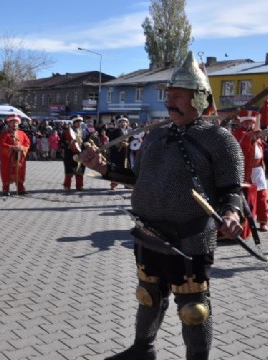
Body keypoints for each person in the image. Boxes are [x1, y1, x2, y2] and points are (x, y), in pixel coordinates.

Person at [79, 51, 244, 360]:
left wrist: (232, 213)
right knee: (148, 296)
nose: (171, 102)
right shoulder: (155, 137)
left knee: (193, 308)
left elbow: (232, 189)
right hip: (148, 233)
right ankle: (143, 350)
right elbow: (137, 179)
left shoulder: (220, 140)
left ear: (199, 99)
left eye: (179, 97)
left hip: (189, 236)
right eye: (169, 96)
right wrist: (102, 168)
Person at [232, 110, 268, 232]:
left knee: (262, 195)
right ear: (242, 123)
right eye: (246, 123)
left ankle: (263, 221)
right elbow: (244, 142)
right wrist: (255, 136)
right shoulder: (238, 134)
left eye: (251, 123)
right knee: (247, 197)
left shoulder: (255, 135)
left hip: (258, 170)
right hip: (245, 170)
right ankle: (246, 222)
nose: (249, 125)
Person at [0, 114, 30, 196]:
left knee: (20, 172)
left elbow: (27, 143)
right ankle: (5, 189)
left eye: (16, 123)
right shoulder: (5, 134)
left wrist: (22, 148)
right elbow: (2, 144)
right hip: (8, 158)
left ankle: (20, 189)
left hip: (19, 157)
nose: (14, 124)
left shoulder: (22, 133)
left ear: (18, 124)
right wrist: (12, 147)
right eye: (12, 123)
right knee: (7, 172)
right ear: (9, 124)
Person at [62, 116, 87, 191]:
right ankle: (67, 186)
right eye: (77, 122)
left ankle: (79, 186)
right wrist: (70, 143)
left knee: (80, 170)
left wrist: (87, 143)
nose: (79, 123)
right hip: (70, 153)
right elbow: (63, 141)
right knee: (69, 170)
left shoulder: (83, 131)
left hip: (81, 153)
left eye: (80, 122)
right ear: (74, 123)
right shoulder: (68, 131)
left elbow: (86, 140)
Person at [107, 116, 132, 190]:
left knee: (126, 170)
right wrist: (121, 144)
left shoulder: (130, 131)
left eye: (124, 122)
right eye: (121, 122)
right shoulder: (115, 131)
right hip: (117, 154)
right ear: (119, 123)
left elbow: (132, 140)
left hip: (126, 154)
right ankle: (113, 185)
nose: (123, 123)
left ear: (127, 123)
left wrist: (128, 144)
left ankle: (127, 184)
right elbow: (112, 141)